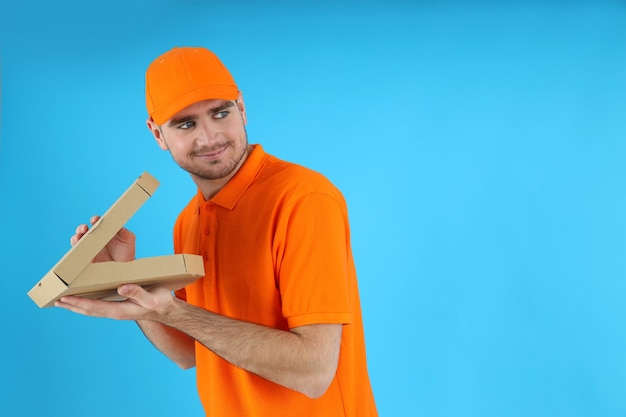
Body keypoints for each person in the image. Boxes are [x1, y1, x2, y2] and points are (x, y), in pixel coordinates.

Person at [55, 46, 378, 417]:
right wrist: (125, 280)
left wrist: (176, 313)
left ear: (242, 108)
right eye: (186, 124)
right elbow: (189, 352)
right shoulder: (188, 221)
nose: (209, 138)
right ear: (158, 134)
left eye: (220, 113)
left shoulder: (303, 199)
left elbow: (314, 370)